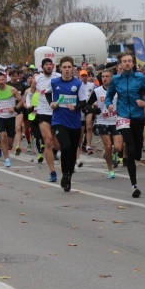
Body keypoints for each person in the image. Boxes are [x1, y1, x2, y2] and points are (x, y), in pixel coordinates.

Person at [105, 52, 145, 198]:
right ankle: (134, 185)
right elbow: (109, 96)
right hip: (123, 116)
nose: (127, 63)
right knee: (131, 150)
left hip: (138, 117)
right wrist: (109, 104)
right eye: (124, 61)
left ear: (133, 64)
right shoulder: (116, 79)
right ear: (120, 64)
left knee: (137, 153)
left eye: (129, 61)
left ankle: (136, 154)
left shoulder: (140, 78)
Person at [49, 56, 87, 192]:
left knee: (72, 151)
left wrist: (75, 107)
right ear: (60, 68)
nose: (66, 70)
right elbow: (47, 94)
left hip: (74, 123)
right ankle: (65, 173)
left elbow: (84, 102)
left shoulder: (78, 84)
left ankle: (68, 176)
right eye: (64, 67)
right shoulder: (54, 82)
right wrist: (51, 103)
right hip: (59, 121)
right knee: (65, 147)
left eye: (69, 67)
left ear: (73, 69)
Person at [87, 69, 121, 178]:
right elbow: (87, 105)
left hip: (116, 121)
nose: (105, 79)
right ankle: (110, 170)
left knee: (118, 147)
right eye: (103, 77)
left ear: (112, 78)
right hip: (102, 122)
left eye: (107, 76)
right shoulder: (97, 91)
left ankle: (109, 154)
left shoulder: (118, 90)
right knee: (108, 146)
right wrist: (94, 110)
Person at [0, 71, 23, 168]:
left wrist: (14, 109)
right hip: (0, 117)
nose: (1, 82)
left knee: (10, 143)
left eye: (2, 80)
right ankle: (7, 159)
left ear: (5, 80)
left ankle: (1, 140)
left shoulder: (12, 90)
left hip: (10, 117)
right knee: (3, 137)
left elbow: (21, 101)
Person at [35, 58, 61, 182]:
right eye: (47, 64)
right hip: (43, 112)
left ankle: (58, 154)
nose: (49, 66)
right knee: (48, 141)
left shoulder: (58, 77)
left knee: (58, 145)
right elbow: (31, 92)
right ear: (42, 66)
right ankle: (52, 171)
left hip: (56, 113)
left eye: (51, 64)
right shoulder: (37, 79)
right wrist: (30, 104)